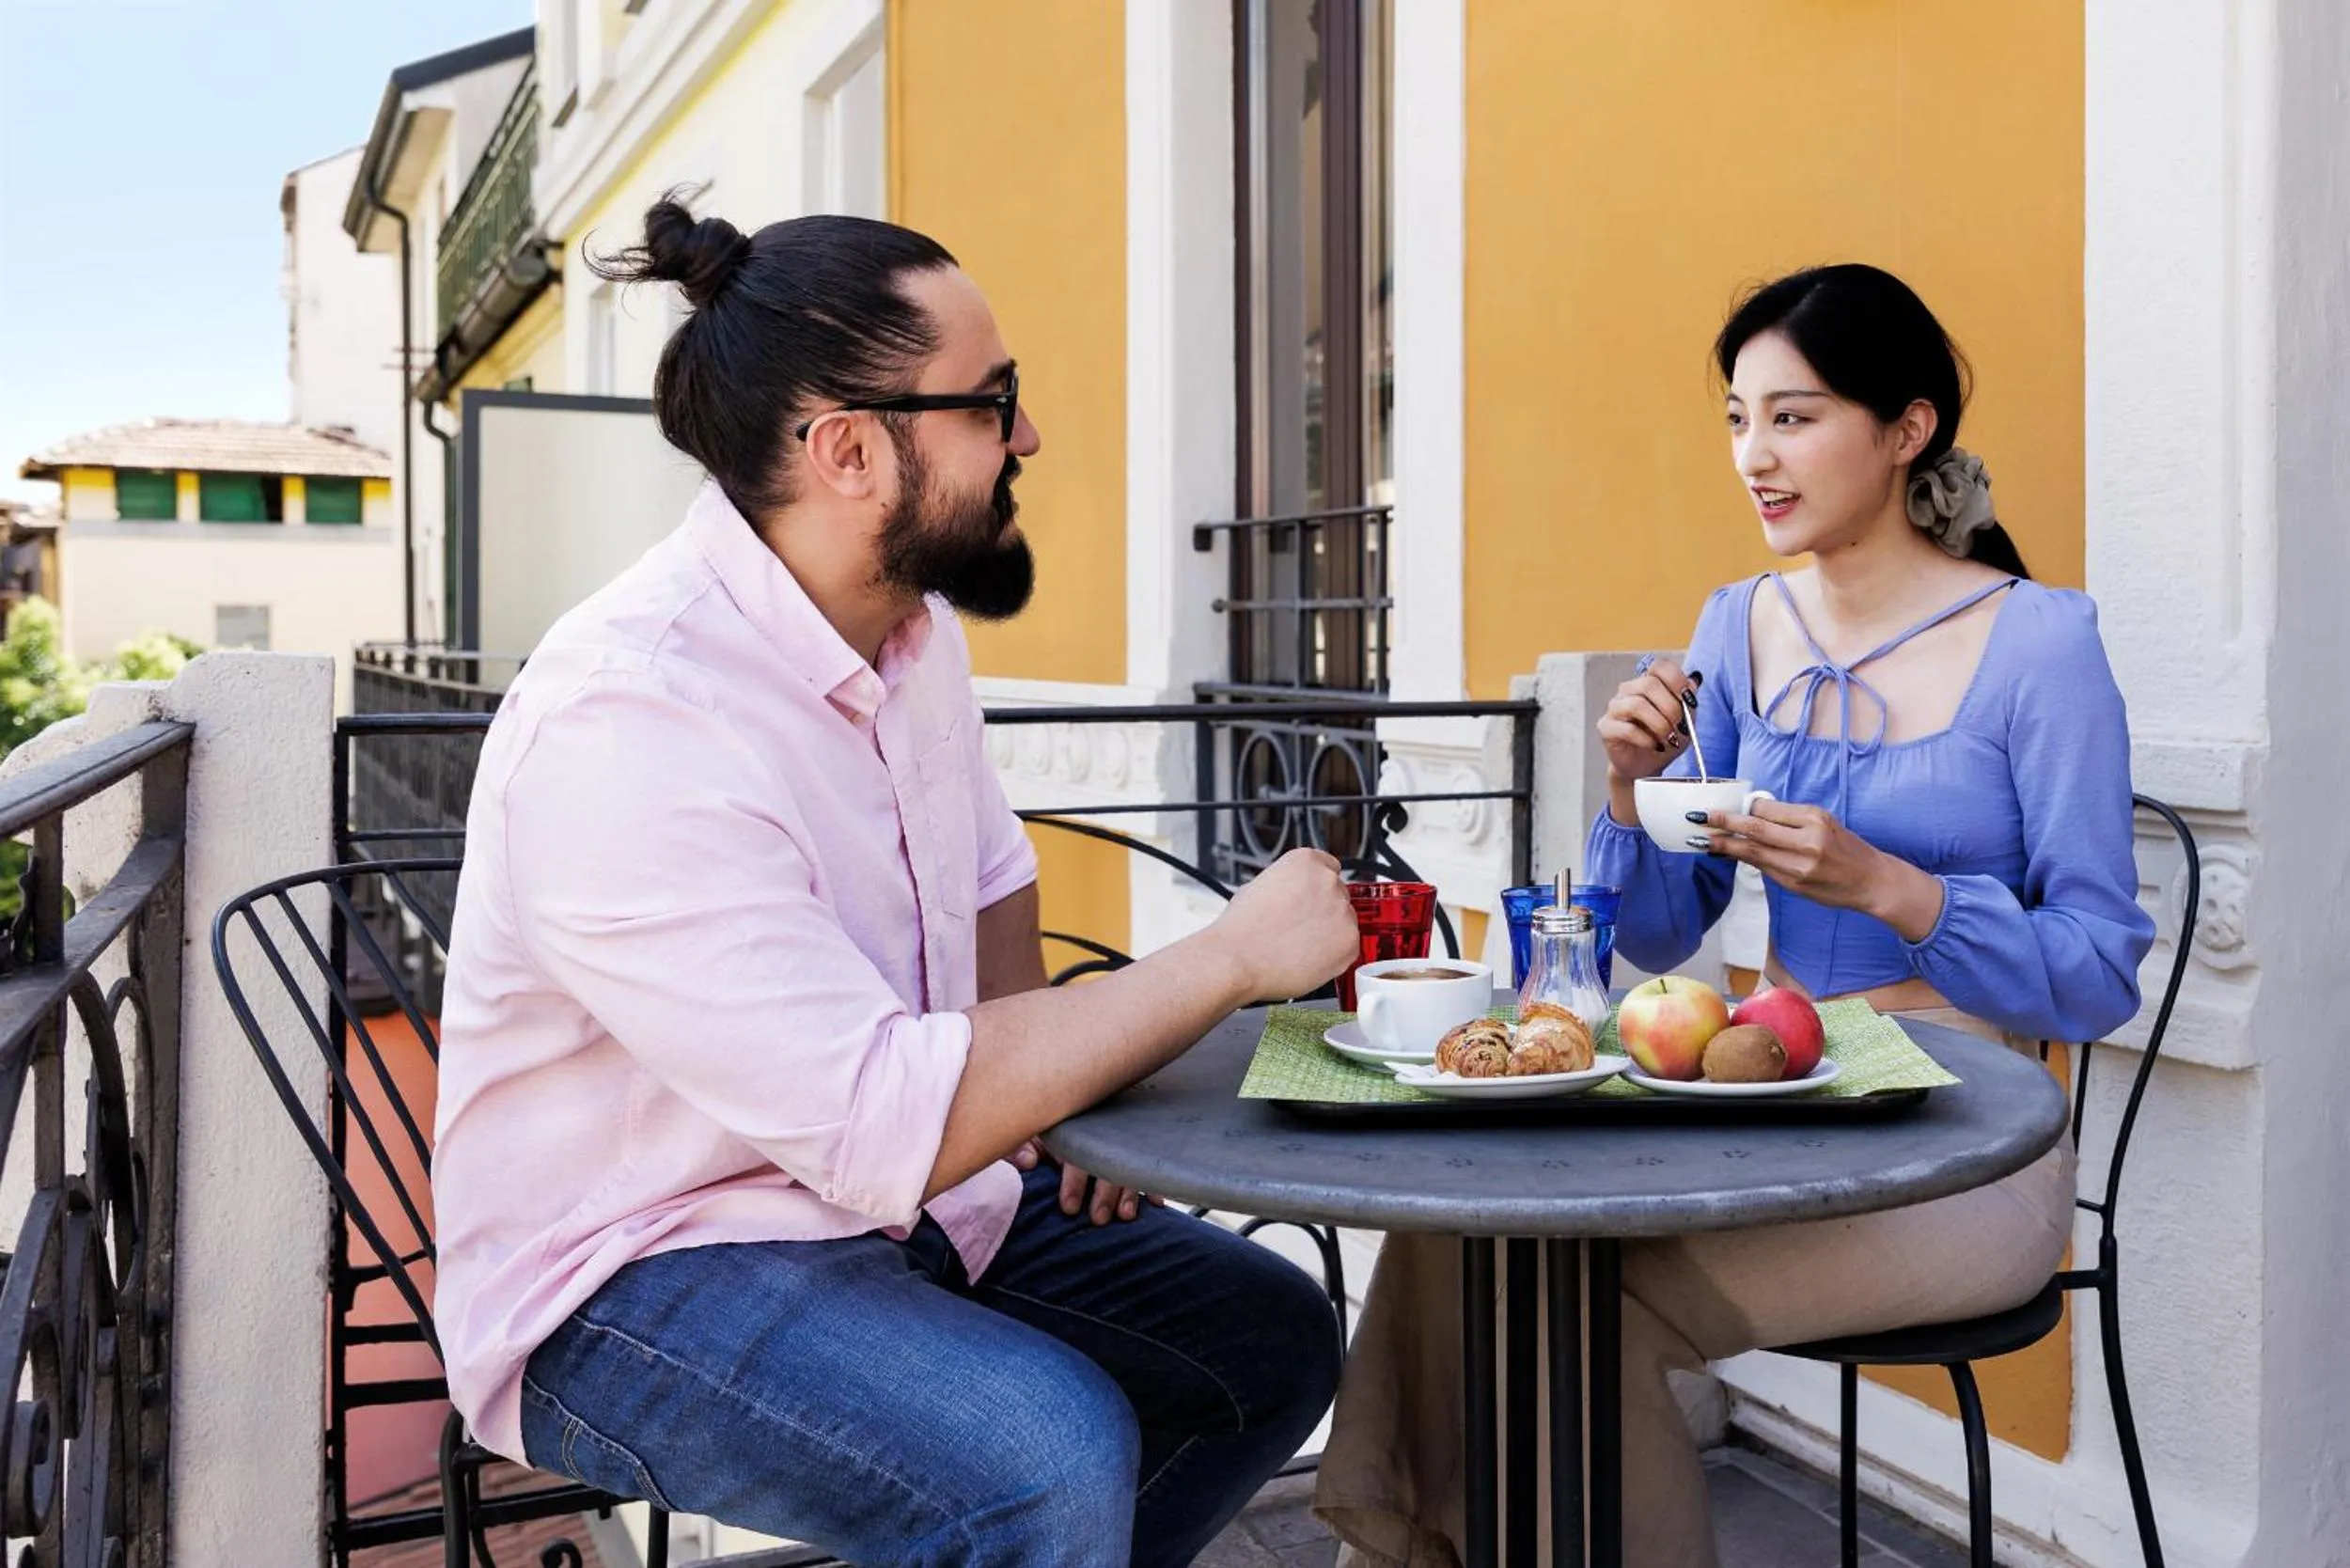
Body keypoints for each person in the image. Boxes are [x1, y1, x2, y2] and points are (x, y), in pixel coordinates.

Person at [431, 196, 1359, 1568]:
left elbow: (992, 886)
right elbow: (875, 1115)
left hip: (906, 1197)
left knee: (1266, 1339)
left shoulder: (908, 634)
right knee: (1038, 1459)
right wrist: (1228, 958)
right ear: (853, 450)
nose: (1029, 437)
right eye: (995, 402)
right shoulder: (633, 717)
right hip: (629, 1275)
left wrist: (1055, 1106)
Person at [1315, 263, 2154, 1567]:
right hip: (1751, 1094)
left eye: (1795, 417)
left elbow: (2099, 974)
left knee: (1566, 1304)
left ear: (1908, 429)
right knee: (1462, 1236)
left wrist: (1890, 885)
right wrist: (1631, 787)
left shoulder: (2039, 643)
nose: (1754, 456)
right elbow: (1655, 934)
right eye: (1737, 418)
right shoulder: (1736, 623)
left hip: (1967, 1144)